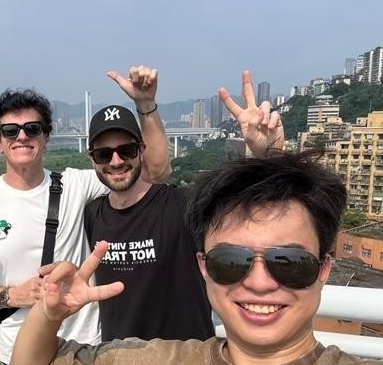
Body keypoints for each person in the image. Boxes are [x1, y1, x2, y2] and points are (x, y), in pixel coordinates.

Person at [9, 150, 383, 365]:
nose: (259, 282)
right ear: (204, 266)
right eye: (230, 261)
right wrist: (50, 313)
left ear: (323, 269)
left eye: (288, 262)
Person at [0, 65, 171, 365]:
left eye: (33, 128)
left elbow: (154, 171)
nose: (22, 137)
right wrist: (12, 295)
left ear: (46, 137)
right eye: (10, 131)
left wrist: (146, 105)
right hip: (20, 360)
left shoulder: (75, 185)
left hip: (83, 356)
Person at [84, 70, 283, 341]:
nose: (116, 161)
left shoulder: (183, 206)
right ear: (92, 159)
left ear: (141, 150)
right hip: (119, 362)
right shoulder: (92, 214)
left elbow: (259, 207)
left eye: (126, 151)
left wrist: (269, 154)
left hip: (187, 362)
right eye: (103, 154)